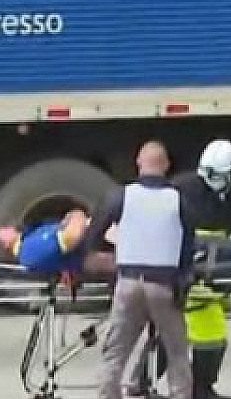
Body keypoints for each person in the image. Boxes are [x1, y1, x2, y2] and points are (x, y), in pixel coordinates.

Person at [126, 139, 231, 399]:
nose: (212, 181)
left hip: (214, 278)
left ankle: (183, 385)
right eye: (209, 174)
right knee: (179, 330)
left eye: (219, 175)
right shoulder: (182, 190)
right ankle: (155, 383)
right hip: (183, 271)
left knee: (191, 333)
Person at [84, 141, 197, 399]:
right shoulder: (179, 200)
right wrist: (183, 284)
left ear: (138, 163)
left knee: (115, 352)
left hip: (128, 283)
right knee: (177, 352)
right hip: (163, 285)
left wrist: (92, 260)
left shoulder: (122, 196)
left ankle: (107, 394)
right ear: (167, 166)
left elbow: (94, 232)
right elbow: (187, 248)